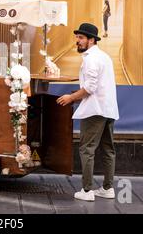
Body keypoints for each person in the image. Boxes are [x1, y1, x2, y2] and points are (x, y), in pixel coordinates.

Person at [56, 23, 119, 202]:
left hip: (95, 110)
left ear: (91, 40)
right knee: (108, 150)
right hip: (108, 109)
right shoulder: (104, 57)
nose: (77, 41)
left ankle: (87, 190)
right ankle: (107, 188)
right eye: (77, 37)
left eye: (81, 38)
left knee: (86, 149)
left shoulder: (91, 58)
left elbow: (90, 88)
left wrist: (71, 97)